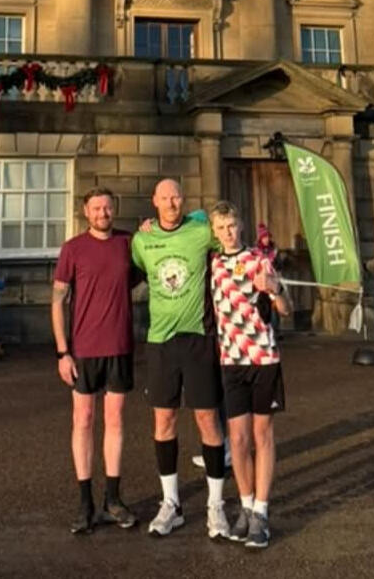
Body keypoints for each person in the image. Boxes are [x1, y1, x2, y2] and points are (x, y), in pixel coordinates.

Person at [131, 179, 229, 539]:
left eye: (177, 196)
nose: (172, 203)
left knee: (207, 419)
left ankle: (215, 505)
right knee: (164, 420)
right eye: (165, 197)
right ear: (154, 201)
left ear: (183, 200)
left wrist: (203, 214)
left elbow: (227, 231)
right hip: (160, 342)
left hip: (198, 339)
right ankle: (171, 504)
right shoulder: (141, 241)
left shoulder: (201, 231)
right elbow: (134, 264)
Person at [52, 187, 138, 534]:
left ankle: (113, 499)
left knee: (115, 421)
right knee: (83, 420)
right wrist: (62, 352)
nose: (103, 212)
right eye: (97, 208)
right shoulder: (73, 249)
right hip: (83, 351)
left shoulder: (128, 244)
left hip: (119, 347)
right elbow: (58, 300)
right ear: (85, 212)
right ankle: (85, 502)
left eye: (108, 206)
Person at [208, 201, 289, 549]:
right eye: (221, 227)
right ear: (214, 231)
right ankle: (244, 505)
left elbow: (285, 308)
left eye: (232, 225)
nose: (228, 232)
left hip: (263, 358)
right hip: (231, 360)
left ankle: (261, 512)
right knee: (237, 440)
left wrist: (274, 288)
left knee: (262, 435)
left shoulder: (260, 259)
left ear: (240, 226)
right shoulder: (212, 263)